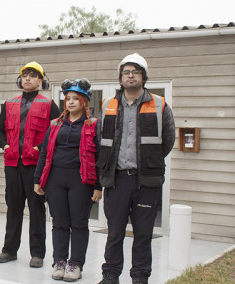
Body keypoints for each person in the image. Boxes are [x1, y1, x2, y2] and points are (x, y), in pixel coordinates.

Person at [97, 53, 175, 284]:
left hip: (145, 181)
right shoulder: (107, 104)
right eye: (126, 72)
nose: (131, 76)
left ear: (143, 76)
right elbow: (101, 139)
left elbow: (168, 139)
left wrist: (150, 163)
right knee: (114, 232)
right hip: (117, 179)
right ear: (120, 78)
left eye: (135, 72)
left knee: (143, 233)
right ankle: (110, 275)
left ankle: (140, 277)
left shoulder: (159, 104)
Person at [34, 78, 102, 281]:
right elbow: (45, 152)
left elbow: (99, 156)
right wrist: (38, 180)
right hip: (55, 179)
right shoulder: (55, 124)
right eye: (68, 98)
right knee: (59, 222)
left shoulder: (93, 125)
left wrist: (99, 186)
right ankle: (59, 261)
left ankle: (75, 264)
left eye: (75, 98)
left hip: (81, 181)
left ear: (84, 101)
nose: (71, 102)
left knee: (79, 223)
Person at [0, 61, 61, 268]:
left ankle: (37, 254)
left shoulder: (49, 105)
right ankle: (9, 250)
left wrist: (40, 148)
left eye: (33, 76)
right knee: (13, 208)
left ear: (41, 80)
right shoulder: (9, 103)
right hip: (12, 163)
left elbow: (56, 132)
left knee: (36, 209)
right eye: (25, 75)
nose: (28, 79)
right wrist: (4, 146)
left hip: (35, 166)